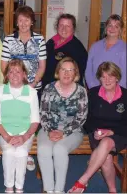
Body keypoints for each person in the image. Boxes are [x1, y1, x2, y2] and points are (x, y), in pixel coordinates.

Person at [68, 62, 127, 193]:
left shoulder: (126, 95)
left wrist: (111, 131)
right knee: (106, 157)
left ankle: (83, 180)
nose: (107, 80)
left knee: (106, 142)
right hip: (97, 133)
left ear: (117, 77)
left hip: (120, 133)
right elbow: (86, 119)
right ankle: (112, 190)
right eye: (103, 77)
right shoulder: (93, 94)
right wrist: (95, 131)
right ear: (99, 78)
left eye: (111, 76)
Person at [0, 6, 46, 171]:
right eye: (20, 20)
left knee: (32, 120)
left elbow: (42, 65)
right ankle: (13, 145)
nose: (24, 23)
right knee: (15, 118)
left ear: (32, 21)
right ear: (16, 22)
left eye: (27, 19)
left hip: (34, 87)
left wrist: (32, 84)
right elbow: (4, 65)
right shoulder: (9, 40)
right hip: (13, 87)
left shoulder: (40, 39)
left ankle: (28, 153)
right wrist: (14, 82)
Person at [37, 57, 88, 193]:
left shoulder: (81, 91)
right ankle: (48, 189)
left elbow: (81, 118)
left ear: (75, 73)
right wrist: (49, 131)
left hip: (73, 131)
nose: (66, 73)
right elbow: (43, 113)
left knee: (59, 149)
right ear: (58, 72)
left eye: (70, 70)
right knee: (43, 149)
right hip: (48, 128)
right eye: (63, 69)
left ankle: (59, 190)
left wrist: (63, 133)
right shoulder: (48, 88)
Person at [0, 59, 40, 193]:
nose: (14, 74)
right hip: (5, 134)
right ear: (6, 75)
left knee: (22, 152)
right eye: (11, 71)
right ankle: (9, 188)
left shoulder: (31, 92)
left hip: (26, 133)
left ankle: (19, 189)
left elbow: (35, 121)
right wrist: (7, 137)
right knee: (8, 151)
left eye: (18, 71)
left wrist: (24, 137)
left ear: (24, 75)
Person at [43, 13, 88, 88]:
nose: (64, 29)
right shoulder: (51, 42)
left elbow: (77, 74)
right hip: (48, 87)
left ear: (73, 28)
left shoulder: (77, 48)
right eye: (61, 25)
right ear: (57, 27)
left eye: (68, 26)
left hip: (64, 90)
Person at [85, 14, 126, 89]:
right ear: (106, 27)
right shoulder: (95, 46)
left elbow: (125, 76)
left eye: (116, 26)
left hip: (116, 93)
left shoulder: (124, 49)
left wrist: (117, 93)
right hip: (95, 90)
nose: (112, 29)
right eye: (110, 25)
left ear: (120, 30)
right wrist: (94, 89)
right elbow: (88, 70)